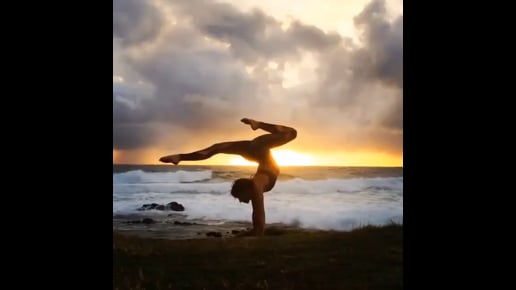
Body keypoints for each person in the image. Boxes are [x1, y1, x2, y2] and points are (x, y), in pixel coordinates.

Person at [159, 118, 297, 236]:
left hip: (257, 148)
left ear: (246, 190)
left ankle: (258, 124)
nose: (241, 201)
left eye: (239, 197)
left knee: (291, 133)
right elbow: (258, 213)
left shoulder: (257, 185)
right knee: (217, 148)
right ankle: (179, 157)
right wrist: (256, 232)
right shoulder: (257, 184)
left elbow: (258, 212)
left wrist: (257, 233)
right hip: (254, 150)